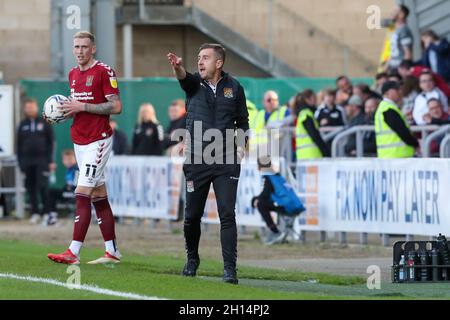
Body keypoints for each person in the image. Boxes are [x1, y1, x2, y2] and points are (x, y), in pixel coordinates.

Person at [167, 43, 249, 284]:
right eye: (198, 57)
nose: (200, 62)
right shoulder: (194, 84)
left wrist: (242, 146)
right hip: (197, 161)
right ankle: (192, 259)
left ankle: (230, 269)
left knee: (227, 214)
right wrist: (178, 68)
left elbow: (243, 121)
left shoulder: (235, 87)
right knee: (192, 216)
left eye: (205, 58)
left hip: (226, 161)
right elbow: (183, 78)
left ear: (219, 63)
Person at [47, 31, 123, 265]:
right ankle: (112, 252)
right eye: (76, 46)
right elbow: (77, 108)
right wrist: (61, 113)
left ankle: (73, 252)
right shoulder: (72, 74)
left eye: (84, 47)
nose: (79, 51)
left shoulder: (103, 71)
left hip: (97, 141)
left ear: (93, 49)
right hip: (79, 141)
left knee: (81, 194)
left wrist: (83, 106)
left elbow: (116, 106)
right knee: (99, 196)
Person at [17, 98, 55, 224]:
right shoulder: (22, 124)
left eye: (32, 107)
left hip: (42, 160)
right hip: (27, 161)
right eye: (28, 107)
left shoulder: (45, 122)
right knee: (30, 187)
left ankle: (46, 212)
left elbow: (51, 143)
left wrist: (51, 161)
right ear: (25, 109)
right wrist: (20, 162)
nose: (30, 109)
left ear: (36, 108)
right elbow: (18, 145)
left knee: (43, 186)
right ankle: (35, 213)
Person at [251, 156, 305, 245]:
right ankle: (277, 232)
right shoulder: (279, 177)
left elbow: (265, 195)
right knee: (263, 202)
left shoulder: (268, 177)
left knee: (260, 204)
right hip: (297, 206)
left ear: (260, 167)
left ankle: (275, 231)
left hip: (288, 207)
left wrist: (254, 200)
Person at [375, 81, 419, 158]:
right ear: (389, 92)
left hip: (390, 156)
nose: (400, 92)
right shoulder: (388, 109)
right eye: (397, 90)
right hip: (397, 156)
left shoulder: (385, 107)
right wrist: (415, 143)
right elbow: (401, 131)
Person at [46, 149, 79, 226]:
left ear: (75, 159)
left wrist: (68, 188)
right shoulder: (69, 170)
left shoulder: (77, 169)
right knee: (51, 192)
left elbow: (75, 185)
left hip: (75, 193)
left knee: (52, 193)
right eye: (66, 159)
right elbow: (68, 185)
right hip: (69, 192)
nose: (68, 161)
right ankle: (52, 216)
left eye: (70, 159)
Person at [295, 89, 330, 159]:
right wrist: (325, 151)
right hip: (311, 155)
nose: (316, 101)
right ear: (307, 100)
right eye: (314, 98)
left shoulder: (305, 113)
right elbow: (314, 134)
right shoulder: (306, 114)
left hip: (305, 155)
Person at [387, 4, 413, 71]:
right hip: (393, 68)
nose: (391, 13)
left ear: (402, 14)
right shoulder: (395, 30)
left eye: (395, 11)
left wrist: (403, 70)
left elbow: (408, 54)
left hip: (399, 70)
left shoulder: (404, 30)